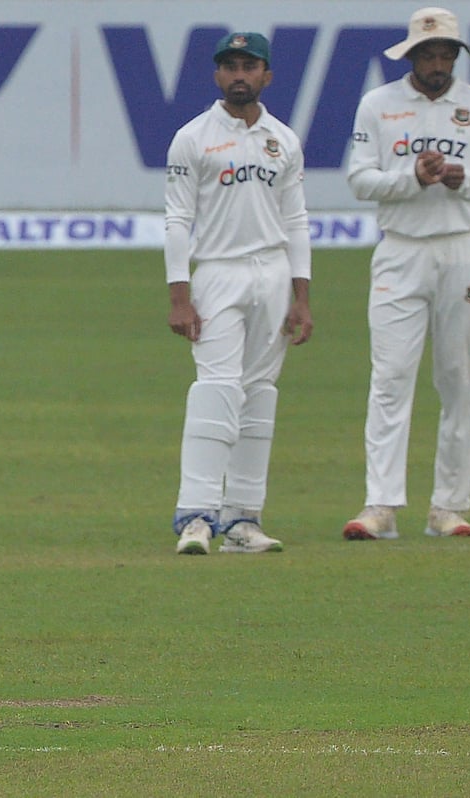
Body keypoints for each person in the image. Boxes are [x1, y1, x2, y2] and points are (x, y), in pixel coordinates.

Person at [342, 7, 470, 541]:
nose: (437, 64)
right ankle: (381, 508)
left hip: (461, 248)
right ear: (411, 55)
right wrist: (411, 177)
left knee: (458, 379)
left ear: (457, 56)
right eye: (428, 54)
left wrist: (466, 180)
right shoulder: (379, 104)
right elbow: (359, 179)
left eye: (446, 54)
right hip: (401, 249)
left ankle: (448, 508)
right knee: (391, 377)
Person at [163, 32, 313, 555]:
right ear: (217, 76)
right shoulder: (193, 137)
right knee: (217, 389)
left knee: (258, 395)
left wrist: (302, 296)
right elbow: (178, 220)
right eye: (230, 66)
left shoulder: (283, 140)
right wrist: (180, 296)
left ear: (267, 75)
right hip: (219, 272)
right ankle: (196, 517)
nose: (239, 75)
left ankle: (243, 521)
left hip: (272, 273)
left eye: (249, 66)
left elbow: (295, 220)